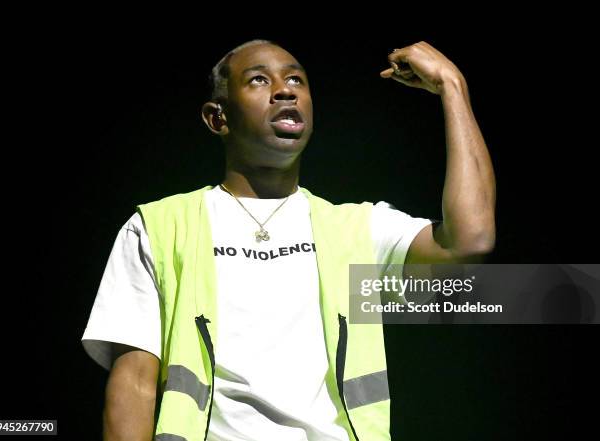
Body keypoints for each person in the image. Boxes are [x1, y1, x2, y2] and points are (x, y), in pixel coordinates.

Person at [82, 39, 495, 441]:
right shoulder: (159, 227)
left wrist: (452, 87)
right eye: (259, 80)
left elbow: (469, 241)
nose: (284, 90)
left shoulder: (356, 230)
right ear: (217, 118)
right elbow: (134, 387)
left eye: (296, 80)